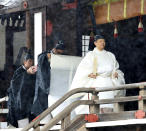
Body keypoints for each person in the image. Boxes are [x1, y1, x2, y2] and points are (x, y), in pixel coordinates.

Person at [69, 35, 125, 114]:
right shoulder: (91, 55)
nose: (102, 43)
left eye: (103, 41)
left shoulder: (110, 55)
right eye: (100, 41)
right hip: (97, 81)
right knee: (97, 101)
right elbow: (83, 68)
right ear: (95, 43)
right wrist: (89, 74)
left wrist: (115, 73)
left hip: (109, 81)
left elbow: (116, 68)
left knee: (109, 102)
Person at [31, 40, 65, 118]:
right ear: (54, 50)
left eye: (61, 53)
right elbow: (40, 59)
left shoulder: (60, 58)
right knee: (43, 107)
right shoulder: (44, 55)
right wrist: (46, 56)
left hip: (55, 84)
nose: (59, 54)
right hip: (44, 84)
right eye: (58, 53)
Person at [7, 51, 37, 127]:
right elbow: (14, 85)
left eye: (32, 62)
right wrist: (27, 73)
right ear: (24, 62)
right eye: (29, 61)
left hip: (28, 102)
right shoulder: (19, 72)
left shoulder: (32, 72)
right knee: (22, 125)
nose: (31, 63)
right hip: (19, 104)